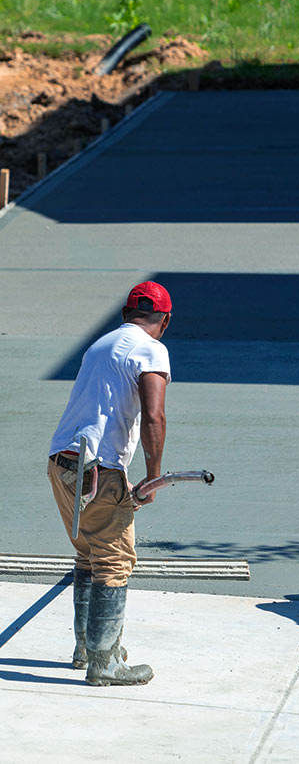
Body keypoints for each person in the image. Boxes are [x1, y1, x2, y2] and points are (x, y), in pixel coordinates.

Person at [48, 281, 172, 685]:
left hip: (62, 462)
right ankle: (105, 663)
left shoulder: (99, 346)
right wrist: (154, 477)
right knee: (115, 561)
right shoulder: (152, 350)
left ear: (124, 314)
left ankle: (86, 649)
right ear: (164, 321)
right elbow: (154, 416)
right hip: (99, 470)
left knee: (88, 553)